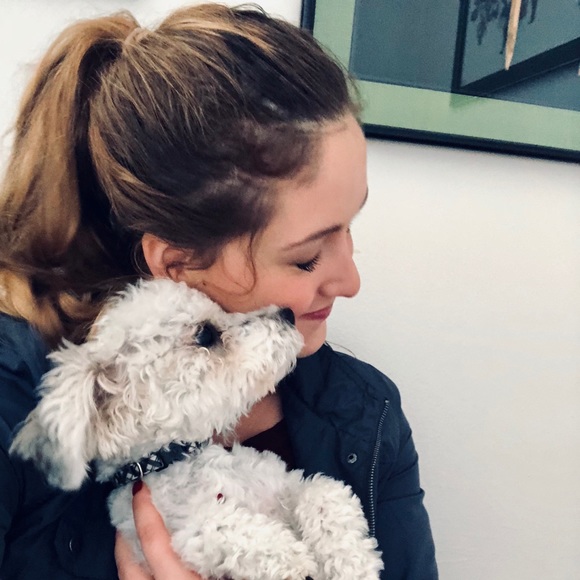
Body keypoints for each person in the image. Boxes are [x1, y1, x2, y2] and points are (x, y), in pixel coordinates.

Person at [0, 3, 438, 579]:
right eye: (306, 257)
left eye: (349, 227)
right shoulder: (20, 404)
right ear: (176, 264)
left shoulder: (366, 412)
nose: (351, 281)